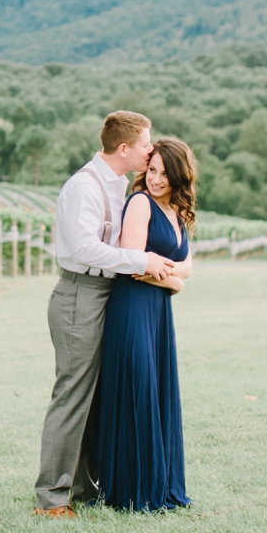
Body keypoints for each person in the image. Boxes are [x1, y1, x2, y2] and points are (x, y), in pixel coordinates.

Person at [33, 111, 178, 518]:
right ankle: (51, 497)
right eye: (146, 143)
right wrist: (140, 259)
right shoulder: (85, 186)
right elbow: (83, 249)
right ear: (124, 148)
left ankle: (83, 485)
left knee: (97, 397)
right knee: (73, 394)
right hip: (81, 293)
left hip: (108, 294)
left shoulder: (118, 186)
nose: (151, 150)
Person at [93, 136, 197, 511]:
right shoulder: (140, 203)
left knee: (156, 389)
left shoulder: (176, 212)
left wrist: (175, 275)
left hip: (158, 312)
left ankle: (160, 481)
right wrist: (176, 282)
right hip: (134, 306)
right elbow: (136, 265)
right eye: (152, 171)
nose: (155, 180)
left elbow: (187, 263)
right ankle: (132, 489)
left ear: (180, 178)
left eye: (165, 175)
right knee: (138, 390)